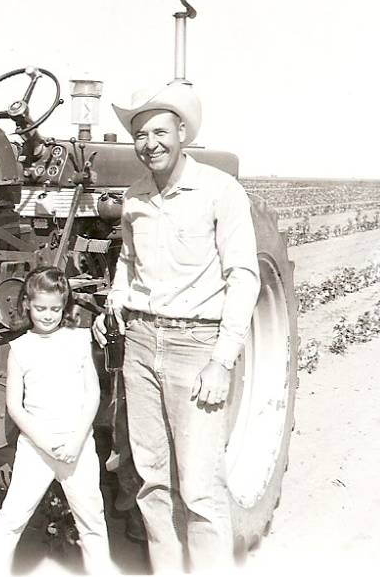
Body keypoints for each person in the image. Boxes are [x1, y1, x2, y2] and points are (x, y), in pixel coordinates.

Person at [92, 83, 261, 573]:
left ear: (182, 132)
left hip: (196, 346)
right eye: (141, 134)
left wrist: (221, 359)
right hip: (142, 344)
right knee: (151, 480)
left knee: (201, 488)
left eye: (160, 132)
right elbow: (128, 261)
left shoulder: (219, 190)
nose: (150, 143)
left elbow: (244, 276)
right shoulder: (135, 197)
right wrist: (116, 298)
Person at [0, 267, 115, 574]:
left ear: (64, 306)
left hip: (77, 446)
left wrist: (76, 440)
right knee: (12, 517)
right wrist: (44, 442)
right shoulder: (20, 348)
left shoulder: (79, 340)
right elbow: (14, 406)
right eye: (40, 308)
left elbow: (92, 395)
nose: (47, 315)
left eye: (55, 309)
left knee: (92, 520)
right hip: (36, 447)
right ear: (27, 304)